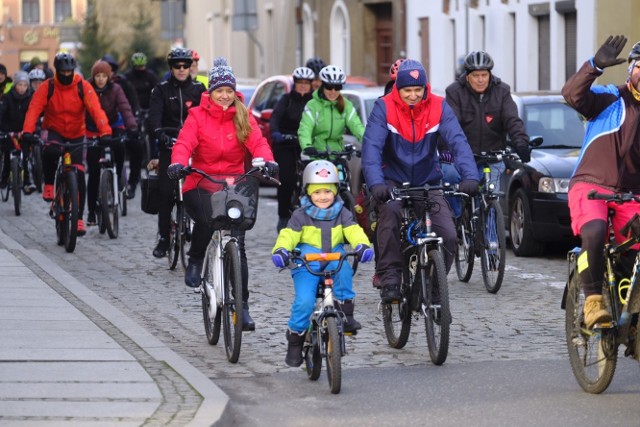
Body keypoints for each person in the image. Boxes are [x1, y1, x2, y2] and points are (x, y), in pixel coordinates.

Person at [167, 57, 278, 331]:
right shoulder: (196, 116)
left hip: (232, 184)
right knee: (206, 221)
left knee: (238, 244)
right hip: (201, 181)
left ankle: (242, 307)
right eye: (219, 91)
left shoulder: (243, 114)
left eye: (229, 90)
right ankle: (195, 259)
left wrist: (267, 159)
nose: (225, 96)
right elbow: (184, 143)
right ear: (211, 92)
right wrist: (178, 163)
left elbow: (258, 142)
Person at [361, 59, 479, 303]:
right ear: (398, 89)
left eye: (418, 90)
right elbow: (371, 149)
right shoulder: (384, 107)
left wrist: (470, 177)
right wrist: (377, 185)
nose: (413, 95)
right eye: (407, 90)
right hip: (392, 180)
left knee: (447, 234)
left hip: (428, 182)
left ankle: (432, 287)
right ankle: (391, 279)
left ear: (425, 87)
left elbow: (458, 142)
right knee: (390, 215)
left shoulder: (438, 106)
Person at [562, 35, 640, 329]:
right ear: (630, 69)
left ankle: (631, 320)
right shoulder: (610, 97)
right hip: (591, 186)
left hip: (632, 195)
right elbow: (573, 95)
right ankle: (593, 301)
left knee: (634, 254)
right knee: (593, 232)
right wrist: (594, 66)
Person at [271, 160, 374, 366]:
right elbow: (288, 235)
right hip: (306, 262)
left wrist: (362, 245)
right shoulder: (300, 215)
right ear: (308, 192)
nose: (323, 197)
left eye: (327, 191)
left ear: (335, 191)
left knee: (345, 269)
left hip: (334, 258)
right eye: (317, 192)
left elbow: (353, 230)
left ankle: (346, 312)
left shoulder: (342, 213)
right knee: (305, 301)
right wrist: (281, 250)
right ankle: (295, 341)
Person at [22, 52, 111, 236]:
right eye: (62, 71)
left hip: (77, 133)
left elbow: (96, 110)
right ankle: (48, 184)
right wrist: (28, 131)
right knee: (49, 153)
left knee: (78, 176)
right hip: (55, 130)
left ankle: (78, 220)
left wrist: (105, 132)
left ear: (73, 70)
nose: (65, 74)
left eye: (68, 71)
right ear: (57, 71)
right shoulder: (48, 87)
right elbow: (34, 109)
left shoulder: (82, 86)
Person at [147, 48, 206, 258]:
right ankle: (163, 237)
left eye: (185, 66)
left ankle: (199, 234)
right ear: (171, 68)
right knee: (165, 192)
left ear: (190, 67)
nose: (181, 70)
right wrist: (160, 135)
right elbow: (153, 119)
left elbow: (207, 117)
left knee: (201, 190)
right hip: (169, 147)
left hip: (195, 147)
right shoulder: (161, 90)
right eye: (177, 66)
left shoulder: (200, 89)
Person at [444, 51, 530, 192]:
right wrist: (450, 151)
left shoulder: (502, 91)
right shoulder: (454, 92)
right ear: (467, 77)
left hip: (493, 157)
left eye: (484, 75)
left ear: (490, 75)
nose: (480, 80)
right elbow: (451, 125)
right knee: (458, 193)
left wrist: (521, 143)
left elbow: (512, 120)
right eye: (476, 76)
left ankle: (492, 212)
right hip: (464, 157)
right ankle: (458, 214)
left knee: (492, 196)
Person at [85, 60, 138, 225]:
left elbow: (125, 107)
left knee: (120, 147)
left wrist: (132, 127)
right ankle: (92, 211)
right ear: (93, 77)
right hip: (93, 129)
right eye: (97, 76)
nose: (100, 79)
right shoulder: (87, 88)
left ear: (109, 77)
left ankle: (119, 177)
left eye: (104, 76)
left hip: (114, 126)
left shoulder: (116, 89)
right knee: (93, 171)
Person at [269, 66, 315, 232]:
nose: (303, 86)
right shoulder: (286, 99)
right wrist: (276, 133)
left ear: (311, 85)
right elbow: (274, 118)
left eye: (306, 83)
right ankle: (283, 215)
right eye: (300, 83)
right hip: (286, 143)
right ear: (294, 84)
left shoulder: (314, 102)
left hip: (306, 143)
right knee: (287, 179)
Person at [298, 65, 364, 158]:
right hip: (316, 156)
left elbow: (357, 126)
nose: (333, 91)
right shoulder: (312, 105)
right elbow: (305, 128)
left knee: (345, 172)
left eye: (337, 87)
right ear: (322, 86)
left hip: (338, 155)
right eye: (329, 87)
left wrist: (369, 144)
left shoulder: (346, 105)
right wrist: (307, 146)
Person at [123, 52, 158, 199]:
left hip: (149, 108)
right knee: (134, 136)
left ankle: (151, 156)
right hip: (132, 109)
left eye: (142, 66)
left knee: (152, 132)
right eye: (137, 67)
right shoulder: (128, 77)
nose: (140, 69)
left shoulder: (151, 76)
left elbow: (157, 92)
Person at [0, 71, 35, 193]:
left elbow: (34, 113)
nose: (22, 88)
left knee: (25, 157)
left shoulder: (31, 98)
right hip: (9, 130)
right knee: (7, 155)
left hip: (24, 131)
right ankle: (4, 177)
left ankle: (26, 181)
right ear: (15, 85)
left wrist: (32, 129)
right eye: (20, 85)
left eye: (25, 85)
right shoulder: (7, 97)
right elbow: (1, 113)